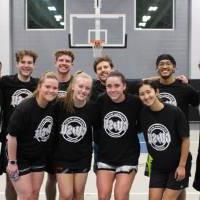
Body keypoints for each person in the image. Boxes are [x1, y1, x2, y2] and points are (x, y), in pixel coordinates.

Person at [144, 54, 199, 200]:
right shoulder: (152, 89)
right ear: (157, 68)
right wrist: (156, 78)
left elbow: (197, 104)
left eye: (168, 64)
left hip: (179, 145)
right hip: (160, 148)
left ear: (174, 67)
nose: (164, 66)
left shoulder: (185, 88)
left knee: (175, 190)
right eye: (161, 64)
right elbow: (143, 83)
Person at [6, 71, 58, 200]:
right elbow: (11, 137)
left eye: (54, 88)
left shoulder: (52, 106)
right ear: (40, 87)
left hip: (38, 157)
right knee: (26, 195)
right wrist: (12, 162)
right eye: (47, 87)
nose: (51, 90)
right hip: (19, 157)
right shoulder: (25, 108)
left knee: (34, 194)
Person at [138, 80, 191, 200]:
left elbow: (186, 140)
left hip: (177, 164)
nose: (146, 96)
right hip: (157, 166)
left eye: (148, 92)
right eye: (142, 94)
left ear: (156, 91)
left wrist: (182, 166)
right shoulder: (143, 114)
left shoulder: (174, 112)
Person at [94, 70, 142, 200]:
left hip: (128, 156)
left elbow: (143, 122)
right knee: (103, 196)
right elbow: (96, 124)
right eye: (109, 86)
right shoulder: (101, 100)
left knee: (120, 196)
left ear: (124, 86)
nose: (112, 89)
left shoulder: (135, 102)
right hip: (105, 156)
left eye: (116, 86)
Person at [0, 50, 38, 200]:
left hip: (31, 140)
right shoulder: (5, 82)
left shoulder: (37, 85)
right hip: (10, 139)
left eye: (29, 63)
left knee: (31, 186)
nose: (26, 65)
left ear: (34, 65)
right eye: (23, 62)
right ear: (17, 64)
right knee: (12, 180)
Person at [53, 71, 94, 200]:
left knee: (78, 194)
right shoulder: (59, 105)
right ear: (73, 87)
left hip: (82, 157)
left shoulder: (92, 108)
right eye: (80, 86)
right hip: (62, 157)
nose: (83, 90)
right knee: (66, 195)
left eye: (87, 88)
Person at [45, 49, 75, 200]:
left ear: (72, 64)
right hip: (51, 138)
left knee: (70, 183)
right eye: (61, 60)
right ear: (55, 62)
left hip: (70, 138)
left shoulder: (76, 83)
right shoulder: (49, 82)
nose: (64, 63)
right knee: (52, 178)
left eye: (67, 61)